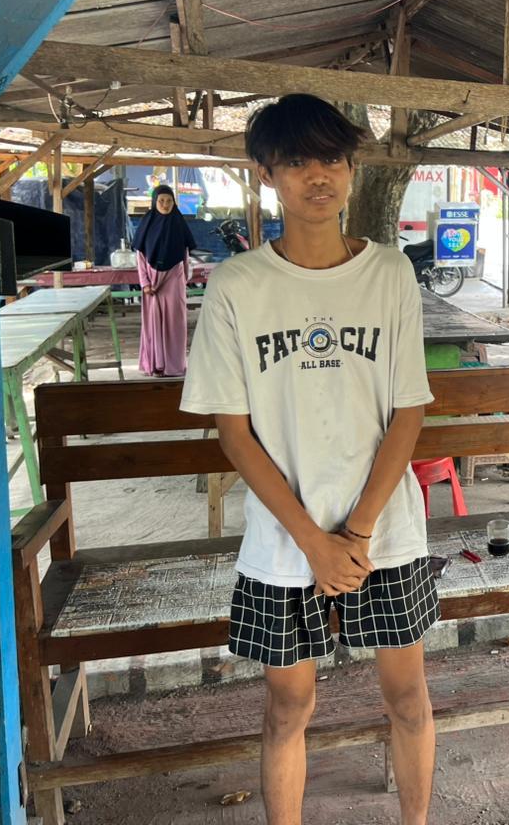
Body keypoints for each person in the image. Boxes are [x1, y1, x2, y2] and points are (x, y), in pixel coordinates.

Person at [179, 94, 438, 825]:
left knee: (408, 699)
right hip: (284, 540)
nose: (317, 176)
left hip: (384, 532)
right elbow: (235, 434)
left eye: (331, 159)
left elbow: (408, 411)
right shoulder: (237, 286)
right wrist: (314, 544)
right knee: (288, 707)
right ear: (266, 174)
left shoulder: (390, 273)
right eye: (296, 162)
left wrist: (354, 534)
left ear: (352, 169)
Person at [133, 183, 195, 376]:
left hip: (174, 277)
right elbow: (140, 256)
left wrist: (183, 280)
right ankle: (156, 365)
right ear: (154, 202)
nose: (165, 204)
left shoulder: (179, 223)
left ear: (174, 203)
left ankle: (174, 366)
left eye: (169, 201)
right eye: (161, 200)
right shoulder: (147, 223)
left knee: (175, 322)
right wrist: (144, 283)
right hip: (152, 280)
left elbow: (185, 255)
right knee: (153, 323)